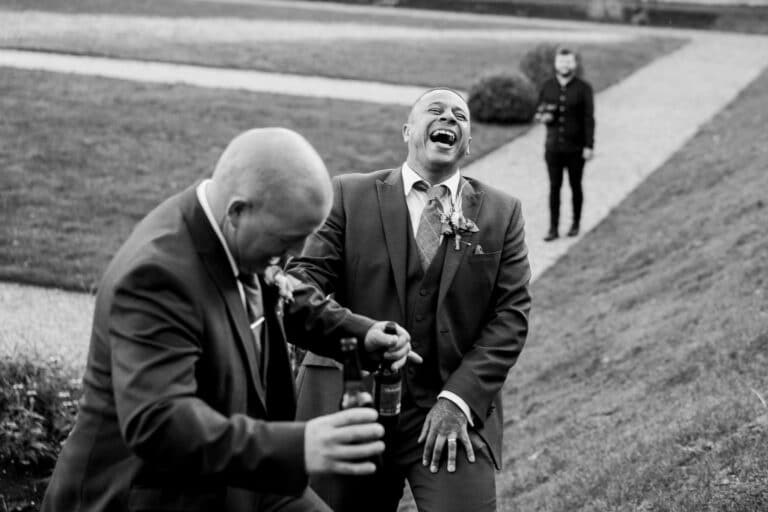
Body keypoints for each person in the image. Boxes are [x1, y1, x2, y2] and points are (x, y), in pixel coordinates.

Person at [41, 128, 420, 512]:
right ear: (238, 212)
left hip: (242, 474)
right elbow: (160, 422)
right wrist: (299, 446)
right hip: (153, 492)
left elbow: (281, 294)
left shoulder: (234, 237)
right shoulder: (157, 277)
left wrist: (362, 333)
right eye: (287, 240)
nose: (293, 256)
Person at [289, 89, 531, 512]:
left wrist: (457, 400)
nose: (449, 118)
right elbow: (297, 290)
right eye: (435, 111)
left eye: (460, 115)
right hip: (351, 407)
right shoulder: (349, 195)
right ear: (407, 131)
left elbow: (510, 317)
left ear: (468, 142)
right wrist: (362, 334)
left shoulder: (501, 213)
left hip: (448, 408)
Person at [535, 46, 595, 241]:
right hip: (553, 148)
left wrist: (589, 146)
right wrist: (543, 117)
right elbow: (539, 111)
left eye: (568, 62)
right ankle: (553, 228)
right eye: (561, 62)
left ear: (574, 64)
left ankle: (576, 223)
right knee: (554, 187)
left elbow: (589, 119)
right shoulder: (547, 86)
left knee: (575, 186)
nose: (565, 65)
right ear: (556, 64)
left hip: (576, 149)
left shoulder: (584, 88)